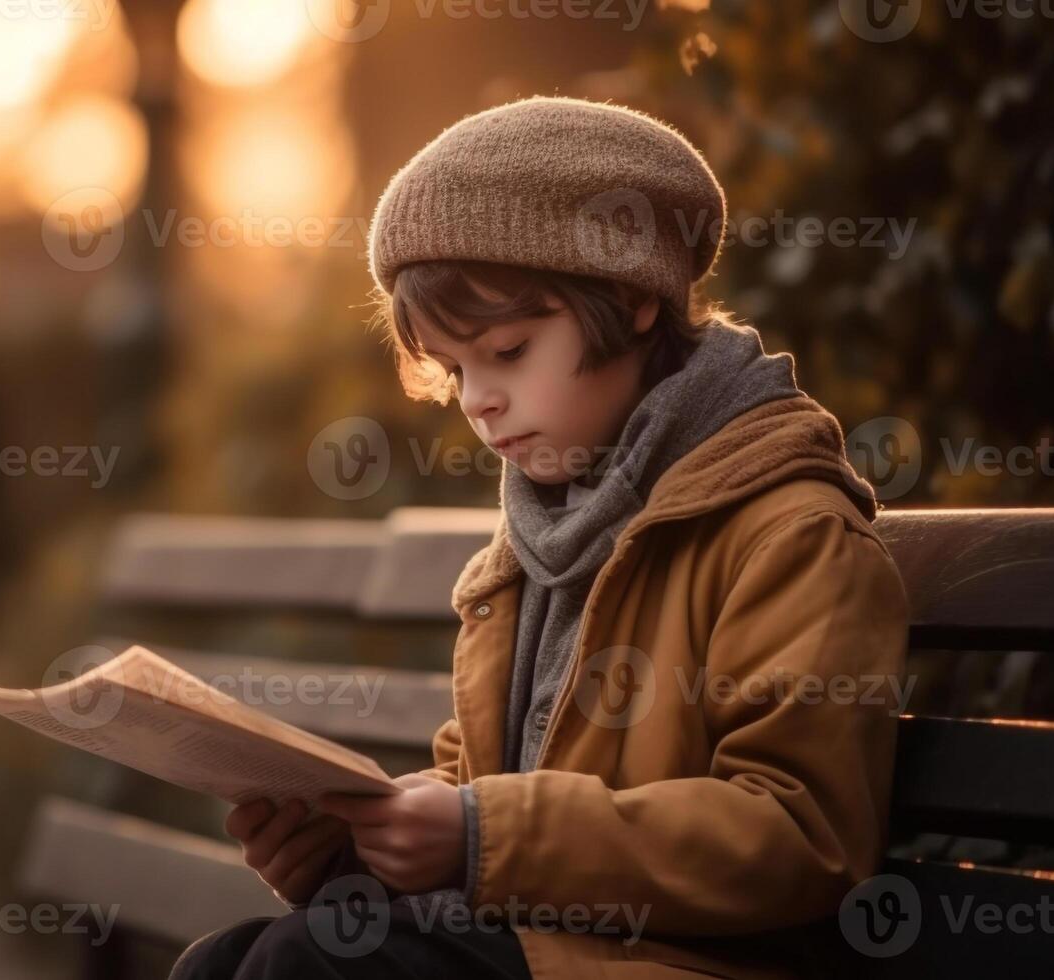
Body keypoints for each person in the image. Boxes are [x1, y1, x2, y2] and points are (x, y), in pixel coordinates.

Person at [169, 95, 910, 980]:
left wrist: (484, 836)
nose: (477, 398)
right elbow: (480, 784)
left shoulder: (789, 533)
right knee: (223, 964)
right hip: (548, 946)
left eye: (508, 351)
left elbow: (802, 837)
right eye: (454, 369)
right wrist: (356, 850)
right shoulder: (538, 541)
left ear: (634, 300)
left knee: (298, 969)